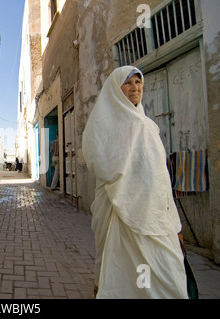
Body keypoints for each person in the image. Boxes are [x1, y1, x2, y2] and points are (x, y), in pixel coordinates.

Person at [82, 66, 188, 299]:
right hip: (117, 212)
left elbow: (160, 177)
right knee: (117, 272)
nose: (134, 88)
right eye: (128, 83)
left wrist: (175, 225)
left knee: (167, 274)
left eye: (138, 82)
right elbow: (98, 162)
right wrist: (127, 185)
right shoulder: (104, 125)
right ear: (116, 89)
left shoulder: (148, 125)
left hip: (155, 215)